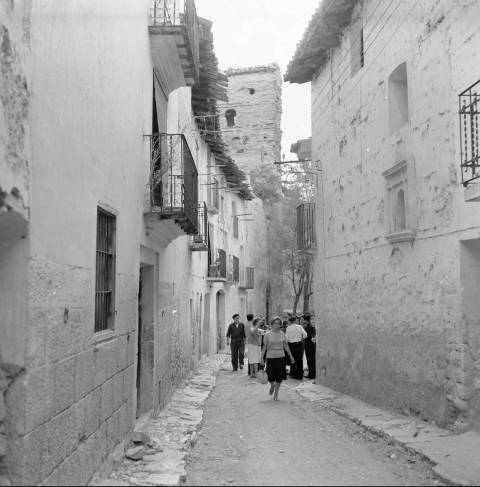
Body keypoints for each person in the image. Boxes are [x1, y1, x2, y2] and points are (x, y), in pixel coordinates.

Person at [261, 316, 295, 401]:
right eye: (275, 323)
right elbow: (264, 348)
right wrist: (261, 358)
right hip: (270, 357)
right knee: (270, 376)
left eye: (278, 323)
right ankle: (272, 385)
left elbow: (286, 346)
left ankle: (276, 394)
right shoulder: (267, 334)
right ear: (272, 324)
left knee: (279, 377)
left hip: (281, 357)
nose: (277, 325)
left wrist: (291, 356)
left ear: (280, 325)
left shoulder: (282, 333)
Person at [285, 315, 307, 380]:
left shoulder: (288, 328)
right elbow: (305, 335)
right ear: (295, 321)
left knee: (292, 360)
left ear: (290, 321)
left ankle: (294, 374)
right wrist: (302, 338)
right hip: (299, 344)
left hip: (291, 345)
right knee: (300, 360)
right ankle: (300, 375)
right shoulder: (300, 327)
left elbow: (286, 339)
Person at [302, 313, 316, 379]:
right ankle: (313, 373)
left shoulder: (308, 327)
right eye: (311, 319)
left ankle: (311, 374)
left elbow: (306, 336)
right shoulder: (311, 326)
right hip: (311, 346)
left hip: (309, 346)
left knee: (310, 360)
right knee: (312, 360)